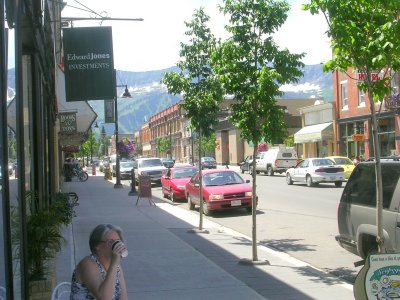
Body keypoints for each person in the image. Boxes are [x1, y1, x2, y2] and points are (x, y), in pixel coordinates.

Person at [70, 224, 128, 299]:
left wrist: (115, 263)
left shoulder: (116, 266)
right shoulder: (87, 264)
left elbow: (124, 297)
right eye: (111, 242)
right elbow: (104, 297)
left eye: (118, 241)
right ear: (97, 246)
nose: (116, 245)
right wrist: (114, 263)